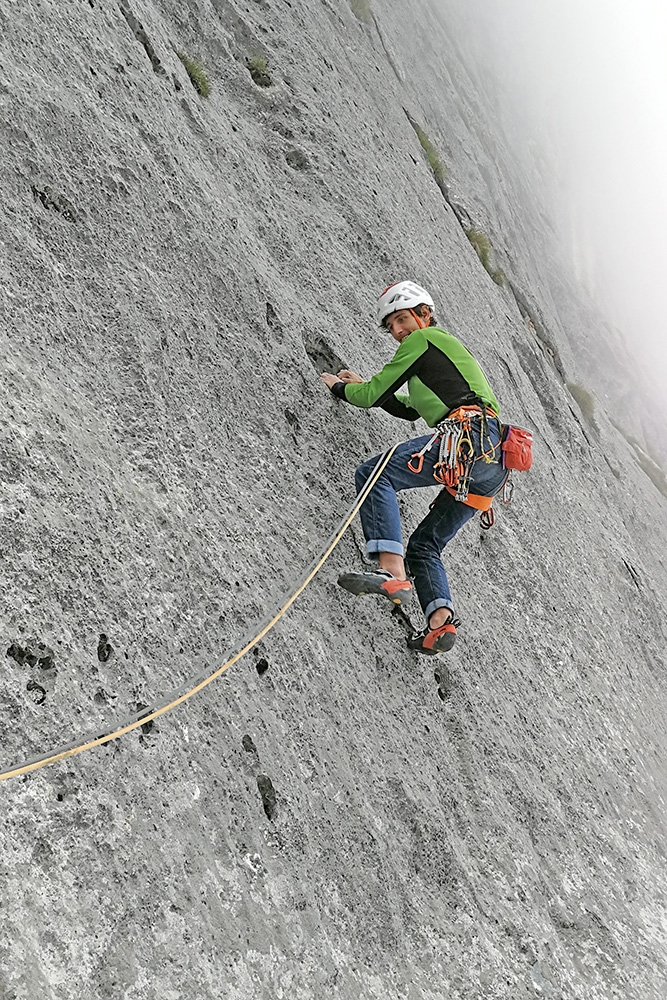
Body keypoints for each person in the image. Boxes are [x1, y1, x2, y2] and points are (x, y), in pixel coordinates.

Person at [320, 280, 507, 654]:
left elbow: (373, 395)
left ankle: (392, 573)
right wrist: (366, 385)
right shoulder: (435, 356)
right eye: (391, 326)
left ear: (425, 314)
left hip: (468, 434)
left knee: (377, 473)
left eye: (402, 319)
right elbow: (405, 406)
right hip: (494, 461)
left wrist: (339, 388)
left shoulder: (422, 341)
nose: (398, 331)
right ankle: (439, 624)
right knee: (425, 545)